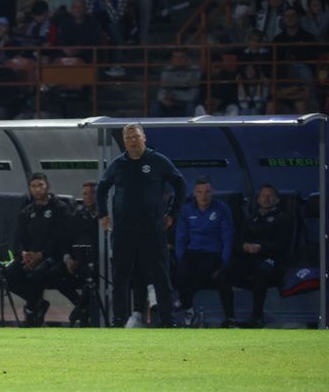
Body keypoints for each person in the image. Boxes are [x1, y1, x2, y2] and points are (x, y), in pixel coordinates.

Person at [96, 123, 186, 327]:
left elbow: (180, 184)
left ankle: (167, 321)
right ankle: (118, 321)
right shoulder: (118, 164)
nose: (132, 141)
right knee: (120, 278)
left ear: (144, 138)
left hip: (152, 230)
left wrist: (172, 213)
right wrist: (103, 214)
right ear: (124, 142)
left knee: (161, 277)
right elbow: (101, 188)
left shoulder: (158, 161)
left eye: (135, 137)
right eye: (128, 138)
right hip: (123, 231)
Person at [217, 184, 293, 328]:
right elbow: (237, 242)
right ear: (258, 199)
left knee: (262, 271)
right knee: (224, 274)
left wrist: (261, 248)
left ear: (277, 199)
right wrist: (244, 246)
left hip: (270, 258)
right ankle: (229, 318)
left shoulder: (283, 218)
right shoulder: (250, 218)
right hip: (248, 258)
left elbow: (283, 244)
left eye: (270, 196)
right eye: (263, 195)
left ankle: (257, 317)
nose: (266, 199)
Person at [5, 172, 72, 327]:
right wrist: (23, 253)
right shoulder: (27, 211)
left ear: (47, 186)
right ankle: (37, 303)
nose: (37, 189)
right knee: (9, 273)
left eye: (40, 185)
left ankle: (31, 310)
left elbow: (60, 239)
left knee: (39, 273)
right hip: (28, 257)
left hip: (52, 256)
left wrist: (41, 255)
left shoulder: (60, 208)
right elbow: (17, 239)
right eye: (33, 186)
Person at [175, 177, 235, 327]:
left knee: (203, 270)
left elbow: (228, 238)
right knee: (181, 272)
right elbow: (180, 238)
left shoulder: (222, 209)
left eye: (207, 192)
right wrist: (181, 259)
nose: (203, 196)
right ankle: (189, 309)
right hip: (192, 251)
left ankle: (183, 300)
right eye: (200, 192)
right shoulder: (186, 210)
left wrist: (224, 264)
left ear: (212, 192)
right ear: (194, 193)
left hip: (213, 252)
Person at [52, 181, 101, 326]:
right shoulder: (76, 216)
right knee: (55, 273)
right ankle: (82, 306)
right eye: (85, 194)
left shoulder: (105, 216)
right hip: (77, 260)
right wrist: (68, 259)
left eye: (92, 193)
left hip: (99, 263)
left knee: (91, 273)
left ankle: (82, 309)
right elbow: (66, 242)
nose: (89, 196)